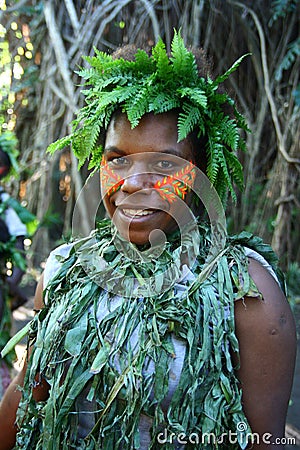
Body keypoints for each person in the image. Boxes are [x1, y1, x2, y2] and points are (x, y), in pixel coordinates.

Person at [0, 31, 296, 449]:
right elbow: (28, 396)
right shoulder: (66, 269)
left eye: (164, 162)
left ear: (201, 173)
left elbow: (265, 440)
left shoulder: (246, 293)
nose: (134, 183)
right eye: (118, 159)